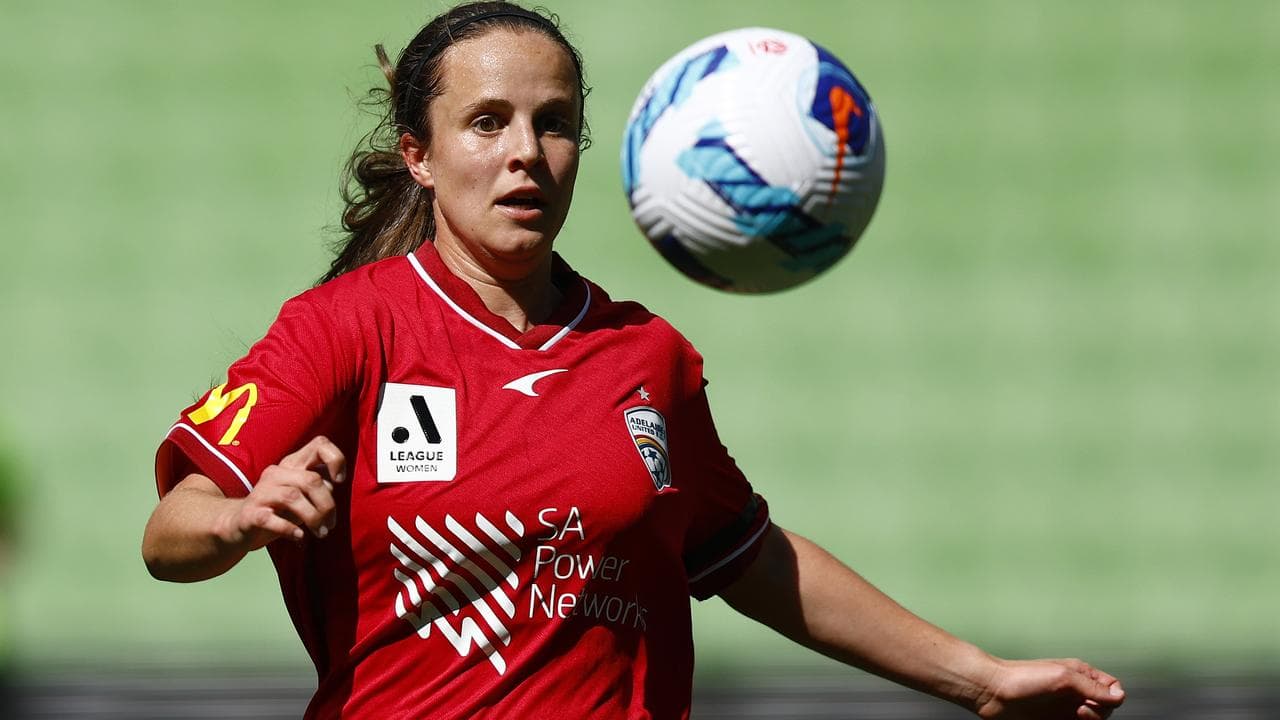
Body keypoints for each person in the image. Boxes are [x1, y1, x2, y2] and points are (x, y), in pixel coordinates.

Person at [142, 3, 1126, 718]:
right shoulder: (346, 328)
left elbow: (750, 557)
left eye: (553, 122)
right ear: (419, 155)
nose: (526, 152)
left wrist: (979, 678)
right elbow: (169, 531)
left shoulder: (646, 357)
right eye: (487, 122)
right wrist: (238, 516)